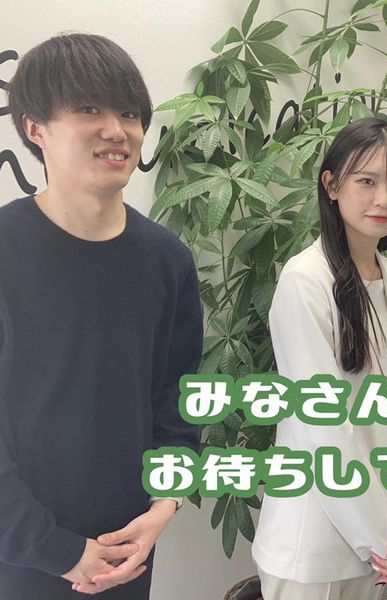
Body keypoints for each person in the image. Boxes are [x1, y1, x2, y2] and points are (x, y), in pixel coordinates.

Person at [0, 34, 202, 598]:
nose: (118, 130)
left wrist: (165, 504)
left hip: (129, 547)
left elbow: (179, 400)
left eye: (130, 113)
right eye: (90, 109)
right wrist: (57, 551)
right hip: (20, 558)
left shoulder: (167, 259)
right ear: (35, 128)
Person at [251, 117, 387, 600]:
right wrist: (378, 535)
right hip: (313, 539)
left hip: (380, 535)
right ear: (331, 185)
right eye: (366, 181)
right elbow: (323, 425)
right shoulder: (305, 280)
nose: (383, 199)